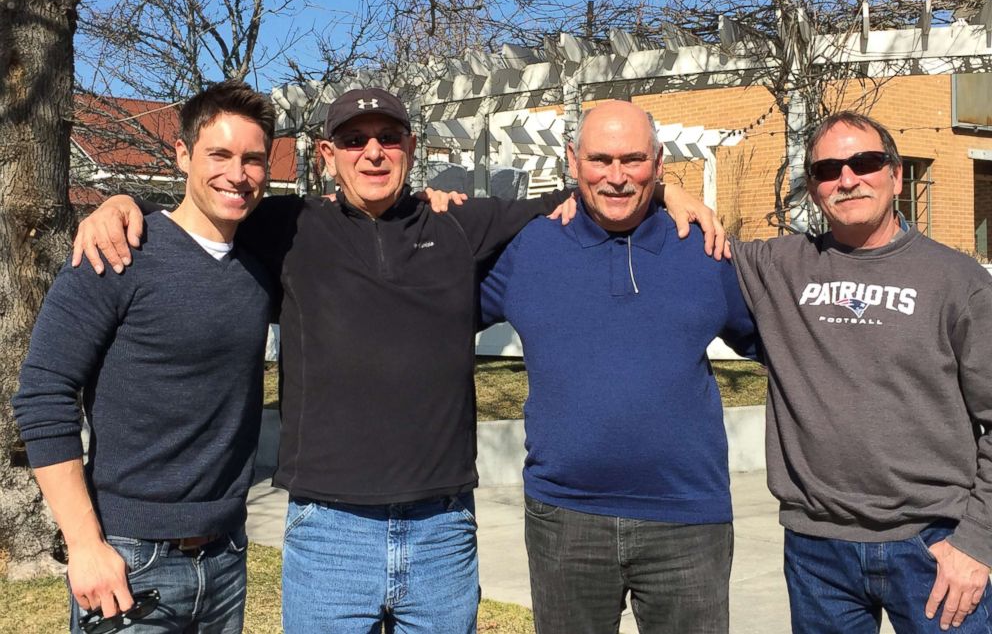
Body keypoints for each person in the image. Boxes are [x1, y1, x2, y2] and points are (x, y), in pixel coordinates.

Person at [72, 87, 724, 633]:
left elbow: (596, 191)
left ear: (412, 150)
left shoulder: (464, 226)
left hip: (441, 531)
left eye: (390, 137)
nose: (374, 151)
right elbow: (205, 210)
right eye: (355, 140)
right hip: (328, 533)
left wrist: (670, 194)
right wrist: (121, 203)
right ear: (327, 156)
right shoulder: (286, 226)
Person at [675, 111, 992, 633]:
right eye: (827, 170)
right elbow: (689, 241)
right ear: (814, 188)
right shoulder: (779, 265)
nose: (847, 179)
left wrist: (977, 544)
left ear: (895, 173)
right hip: (817, 549)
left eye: (864, 162)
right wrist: (669, 191)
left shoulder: (956, 280)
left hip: (934, 544)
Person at [479, 100, 759, 634]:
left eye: (632, 160)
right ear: (572, 160)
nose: (615, 176)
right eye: (599, 159)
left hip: (687, 520)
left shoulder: (703, 247)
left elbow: (779, 343)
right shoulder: (530, 247)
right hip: (564, 517)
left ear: (658, 162)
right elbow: (428, 304)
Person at [13, 79, 276, 633]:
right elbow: (43, 395)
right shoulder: (115, 252)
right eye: (219, 154)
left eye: (253, 158)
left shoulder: (263, 263)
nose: (238, 173)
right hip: (128, 556)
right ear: (181, 154)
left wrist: (428, 202)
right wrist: (84, 545)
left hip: (227, 554)